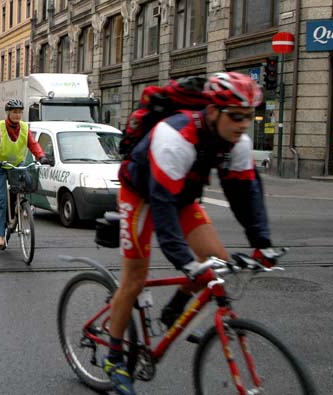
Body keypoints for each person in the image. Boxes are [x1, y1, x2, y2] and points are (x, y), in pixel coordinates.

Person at [103, 72, 280, 395]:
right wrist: (183, 261)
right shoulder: (176, 136)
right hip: (142, 193)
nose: (243, 125)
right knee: (134, 279)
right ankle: (114, 357)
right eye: (236, 116)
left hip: (181, 196)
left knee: (218, 263)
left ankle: (177, 304)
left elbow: (245, 194)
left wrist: (262, 244)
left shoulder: (238, 141)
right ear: (212, 112)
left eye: (249, 117)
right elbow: (162, 206)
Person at [0, 99, 49, 249]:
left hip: (16, 164)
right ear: (8, 113)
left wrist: (41, 156)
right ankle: (0, 235)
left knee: (27, 182)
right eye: (14, 112)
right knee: (0, 200)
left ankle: (20, 207)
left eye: (19, 112)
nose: (17, 115)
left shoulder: (25, 128)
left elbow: (33, 144)